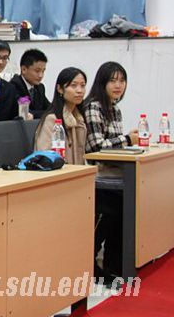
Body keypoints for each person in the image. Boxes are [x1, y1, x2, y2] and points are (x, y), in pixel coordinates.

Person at [84, 61, 139, 282]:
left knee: (128, 203)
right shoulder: (94, 106)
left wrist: (128, 143)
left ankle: (115, 264)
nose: (118, 85)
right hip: (96, 172)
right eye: (113, 80)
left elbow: (114, 146)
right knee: (116, 204)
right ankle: (96, 264)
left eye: (122, 80)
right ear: (102, 83)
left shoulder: (114, 108)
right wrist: (127, 139)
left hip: (113, 171)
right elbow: (96, 147)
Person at [34, 67, 87, 165]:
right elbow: (44, 155)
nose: (79, 90)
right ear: (60, 89)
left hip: (78, 172)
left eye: (82, 86)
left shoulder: (80, 119)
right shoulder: (52, 119)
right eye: (73, 85)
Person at [10, 48, 50, 118]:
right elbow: (24, 112)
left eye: (43, 71)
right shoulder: (13, 86)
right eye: (37, 71)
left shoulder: (40, 87)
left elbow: (50, 109)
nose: (41, 75)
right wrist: (45, 113)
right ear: (24, 69)